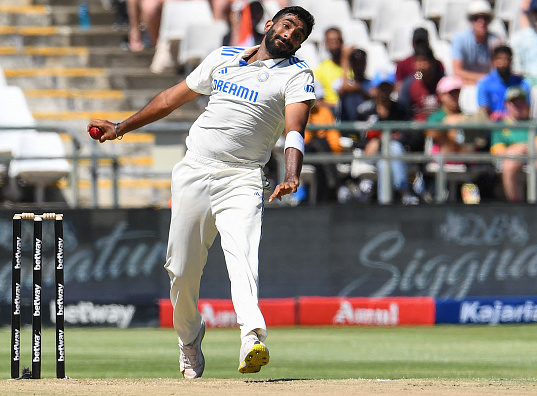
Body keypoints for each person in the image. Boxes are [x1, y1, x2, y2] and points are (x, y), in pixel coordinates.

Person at [88, 6, 316, 377]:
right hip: (194, 169)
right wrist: (121, 127)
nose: (291, 35)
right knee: (180, 268)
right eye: (287, 26)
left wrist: (291, 173)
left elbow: (295, 129)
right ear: (270, 24)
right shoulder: (223, 57)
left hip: (242, 177)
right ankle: (189, 340)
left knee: (241, 254)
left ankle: (252, 338)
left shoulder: (297, 74)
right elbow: (170, 99)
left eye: (299, 34)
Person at [491, 86, 537, 203]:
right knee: (509, 164)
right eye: (514, 103)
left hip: (533, 157)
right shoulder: (501, 126)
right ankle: (516, 205)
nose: (518, 106)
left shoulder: (533, 124)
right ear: (507, 105)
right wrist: (519, 149)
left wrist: (521, 148)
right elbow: (498, 152)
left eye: (521, 102)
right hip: (512, 158)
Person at [357, 71, 418, 205]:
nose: (384, 90)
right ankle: (404, 192)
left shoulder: (402, 110)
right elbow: (355, 138)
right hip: (370, 155)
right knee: (388, 153)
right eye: (381, 87)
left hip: (395, 152)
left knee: (387, 159)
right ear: (374, 88)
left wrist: (381, 140)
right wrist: (369, 143)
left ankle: (384, 202)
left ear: (393, 88)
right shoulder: (364, 110)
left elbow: (410, 136)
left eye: (387, 86)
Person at [451, 0, 503, 85]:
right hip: (465, 83)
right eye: (476, 18)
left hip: (487, 84)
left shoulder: (495, 41)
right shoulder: (460, 40)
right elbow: (457, 71)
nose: (481, 22)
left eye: (485, 18)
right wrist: (482, 79)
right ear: (471, 21)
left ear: (489, 21)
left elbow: (497, 70)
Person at [477, 45, 532, 121]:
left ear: (511, 61)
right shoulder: (484, 84)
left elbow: (526, 112)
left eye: (506, 59)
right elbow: (484, 113)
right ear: (494, 61)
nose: (503, 63)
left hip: (516, 126)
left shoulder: (522, 84)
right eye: (500, 59)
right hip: (493, 128)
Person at [394, 27, 445, 96]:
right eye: (418, 42)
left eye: (423, 42)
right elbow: (399, 87)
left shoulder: (437, 64)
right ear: (413, 44)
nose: (420, 45)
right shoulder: (402, 65)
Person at [314, 27, 349, 114]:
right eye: (331, 42)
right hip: (331, 113)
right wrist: (335, 106)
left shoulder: (351, 67)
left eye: (338, 41)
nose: (335, 45)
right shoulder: (320, 70)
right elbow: (317, 102)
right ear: (325, 43)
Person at [335, 48, 373, 122]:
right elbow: (342, 89)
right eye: (356, 63)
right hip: (347, 123)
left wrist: (359, 89)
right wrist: (345, 59)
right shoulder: (344, 82)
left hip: (366, 124)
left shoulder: (371, 83)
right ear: (351, 64)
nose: (359, 66)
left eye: (361, 63)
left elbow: (373, 96)